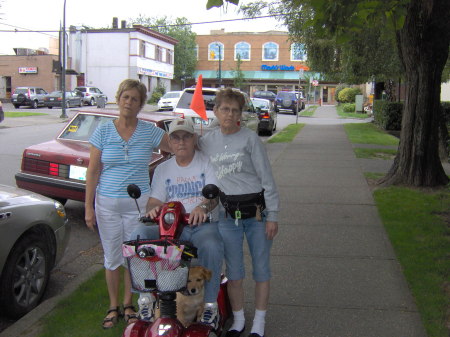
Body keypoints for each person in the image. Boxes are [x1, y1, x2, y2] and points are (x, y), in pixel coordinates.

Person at [84, 79, 171, 329]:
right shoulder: (102, 131)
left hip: (138, 205)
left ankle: (129, 303)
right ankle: (113, 306)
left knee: (134, 256)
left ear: (141, 104)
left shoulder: (149, 131)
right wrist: (88, 207)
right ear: (118, 98)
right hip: (107, 204)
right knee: (111, 256)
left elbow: (176, 146)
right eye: (125, 97)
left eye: (134, 99)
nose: (129, 102)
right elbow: (92, 171)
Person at [199, 88, 279, 337]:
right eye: (225, 109)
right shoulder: (206, 140)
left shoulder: (250, 139)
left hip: (257, 214)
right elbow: (182, 146)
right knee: (233, 271)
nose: (230, 114)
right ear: (216, 111)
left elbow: (267, 178)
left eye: (235, 110)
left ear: (241, 114)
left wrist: (273, 215)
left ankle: (260, 322)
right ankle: (239, 319)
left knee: (261, 269)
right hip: (226, 215)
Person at [131, 118, 224, 330]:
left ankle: (210, 305)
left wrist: (202, 207)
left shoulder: (206, 162)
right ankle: (145, 299)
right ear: (170, 142)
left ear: (193, 139)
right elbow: (154, 200)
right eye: (175, 137)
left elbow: (214, 196)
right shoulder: (163, 169)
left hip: (200, 224)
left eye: (186, 137)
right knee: (139, 234)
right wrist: (153, 209)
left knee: (211, 243)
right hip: (171, 227)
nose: (181, 142)